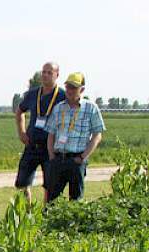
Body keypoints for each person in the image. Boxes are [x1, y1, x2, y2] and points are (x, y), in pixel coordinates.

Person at [44, 72, 104, 203]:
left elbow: (97, 135)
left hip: (77, 160)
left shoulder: (91, 108)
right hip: (59, 158)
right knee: (51, 201)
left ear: (82, 89)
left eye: (74, 87)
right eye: (68, 87)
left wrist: (83, 157)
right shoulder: (59, 108)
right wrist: (52, 156)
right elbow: (51, 134)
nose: (70, 90)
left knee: (75, 201)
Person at [14, 62, 65, 201]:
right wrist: (22, 132)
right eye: (44, 72)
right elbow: (19, 112)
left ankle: (46, 214)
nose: (45, 75)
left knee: (50, 185)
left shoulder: (62, 96)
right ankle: (29, 213)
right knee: (22, 183)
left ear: (57, 75)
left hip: (51, 148)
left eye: (50, 72)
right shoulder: (33, 94)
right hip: (32, 144)